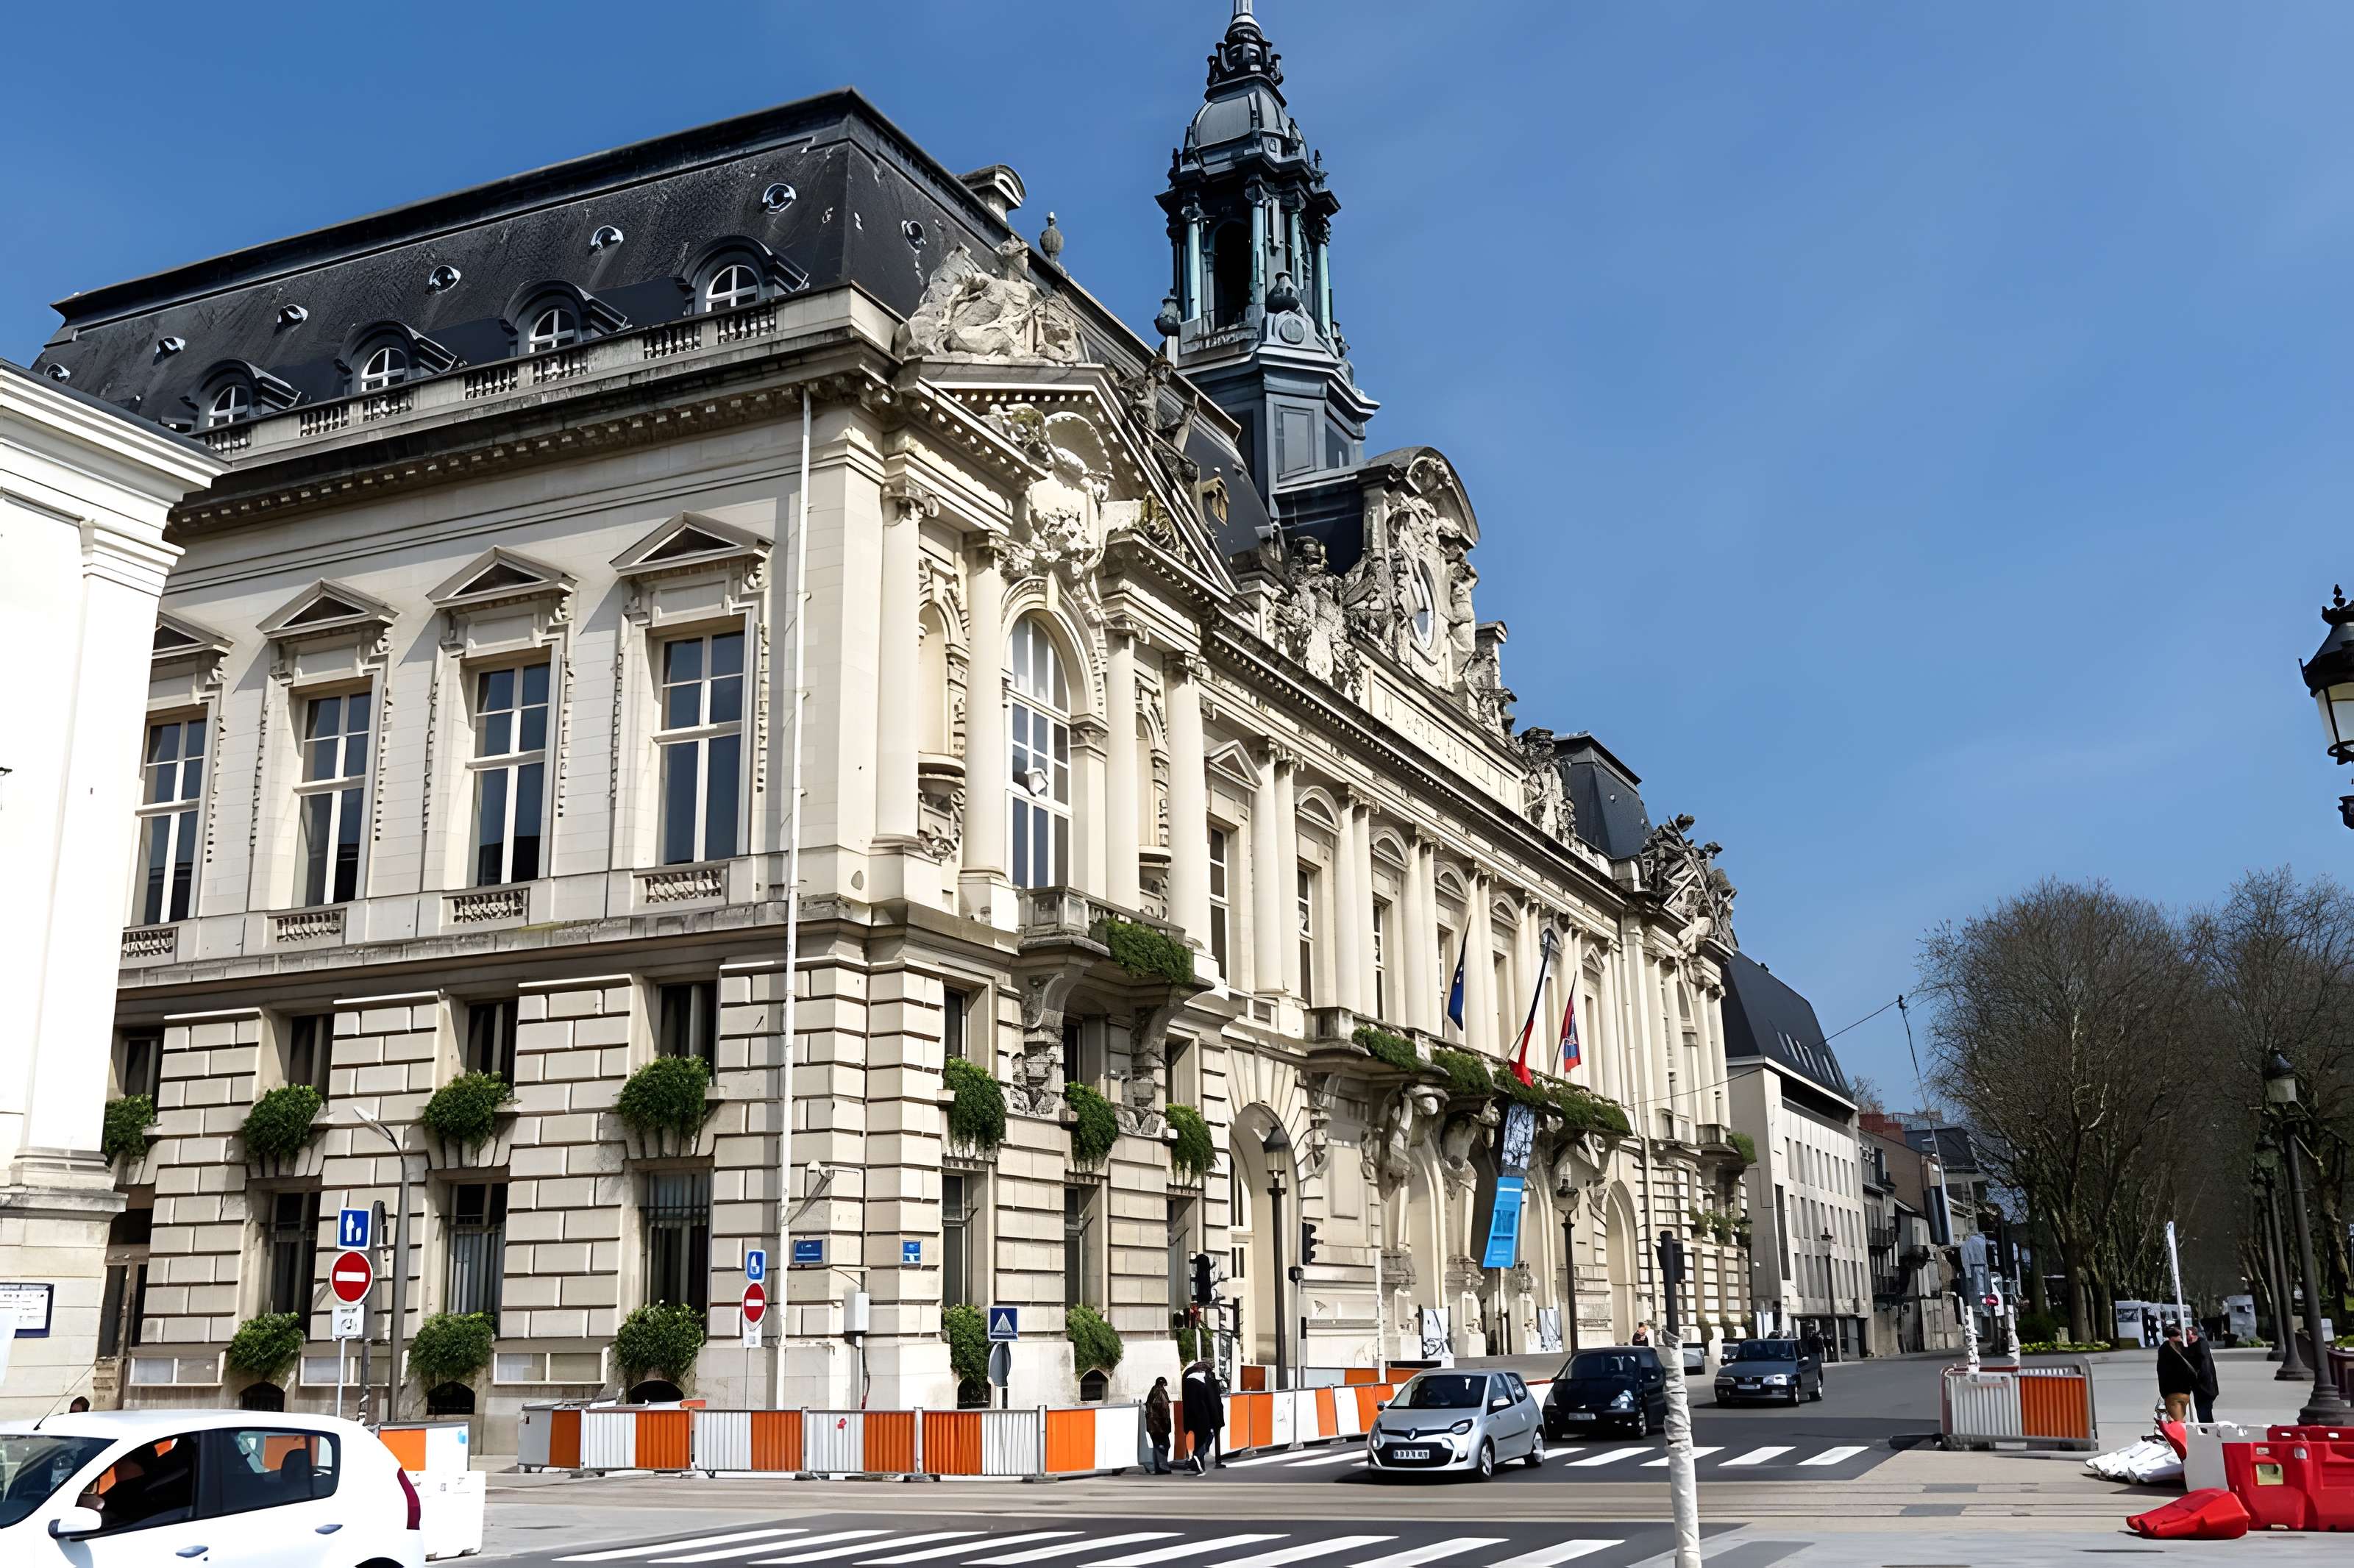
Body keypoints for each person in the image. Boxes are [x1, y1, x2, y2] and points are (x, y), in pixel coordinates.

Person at [1181, 1359, 1224, 1474]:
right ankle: (1197, 1461)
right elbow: (1212, 1401)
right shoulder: (1205, 1380)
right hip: (1203, 1416)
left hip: (1189, 1415)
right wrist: (1216, 1418)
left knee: (1195, 1437)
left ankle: (1194, 1461)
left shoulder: (1187, 1375)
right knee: (1203, 1438)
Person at [2156, 1324, 2199, 1424]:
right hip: (2186, 1392)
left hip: (2172, 1392)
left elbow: (2162, 1373)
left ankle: (2181, 1439)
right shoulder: (2184, 1348)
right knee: (2181, 1420)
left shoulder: (2165, 1351)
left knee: (2177, 1424)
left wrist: (2164, 1393)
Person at [2183, 1325, 2219, 1424]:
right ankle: (2207, 1430)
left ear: (2193, 1335)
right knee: (2202, 1413)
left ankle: (2208, 1432)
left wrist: (2197, 1378)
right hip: (2199, 1388)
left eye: (2187, 1334)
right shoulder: (2190, 1346)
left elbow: (2204, 1365)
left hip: (2205, 1388)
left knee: (2204, 1414)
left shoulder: (2201, 1344)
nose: (2185, 1337)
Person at [1144, 1376, 1173, 1475]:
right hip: (1159, 1425)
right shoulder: (1161, 1393)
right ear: (1163, 1384)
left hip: (1153, 1425)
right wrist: (1166, 1425)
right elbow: (1163, 1410)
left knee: (1158, 1445)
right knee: (1163, 1445)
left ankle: (1159, 1467)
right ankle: (1163, 1467)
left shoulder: (1152, 1392)